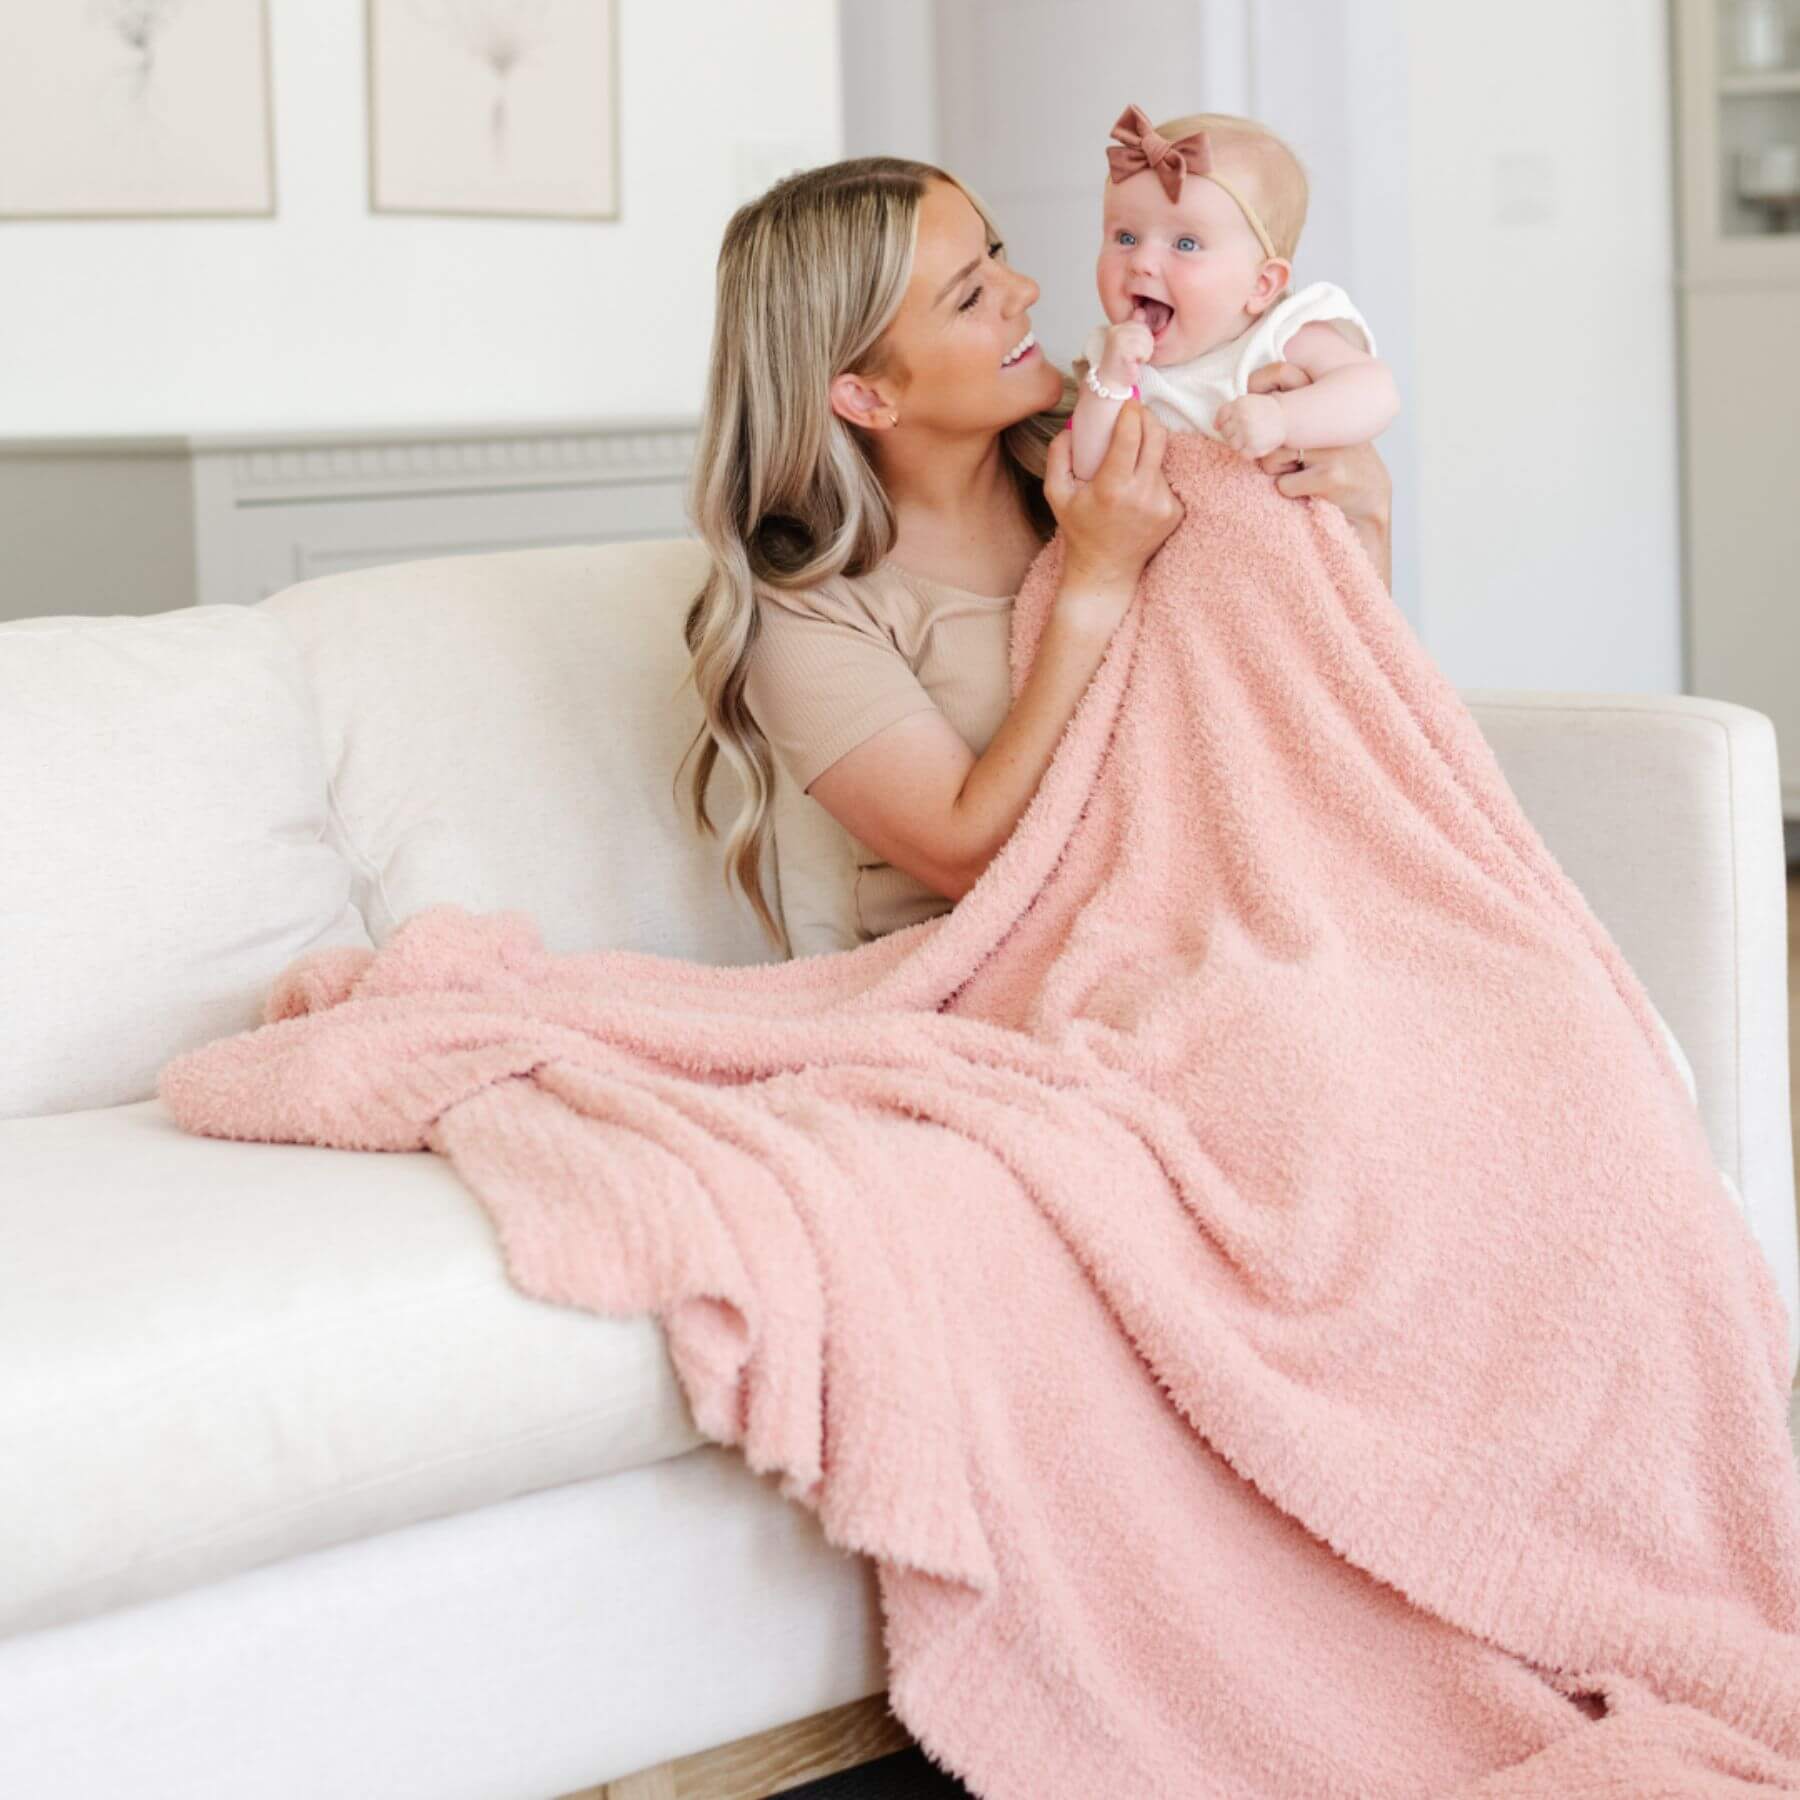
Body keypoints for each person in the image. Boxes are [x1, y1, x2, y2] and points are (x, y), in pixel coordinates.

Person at [675, 155, 1395, 957]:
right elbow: (970, 857)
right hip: (994, 972)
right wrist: (1094, 578)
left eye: (996, 253)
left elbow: (1324, 690)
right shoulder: (800, 612)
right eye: (972, 295)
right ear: (869, 395)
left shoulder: (1133, 447)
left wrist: (1361, 514)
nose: (1025, 291)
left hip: (1216, 927)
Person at [1068, 103, 1401, 480]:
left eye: (1186, 244)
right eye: (1126, 237)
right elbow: (1087, 471)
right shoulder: (1113, 362)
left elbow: (1376, 392)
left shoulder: (1280, 335)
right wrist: (1109, 384)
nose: (1141, 261)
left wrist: (1283, 417)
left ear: (1262, 285)